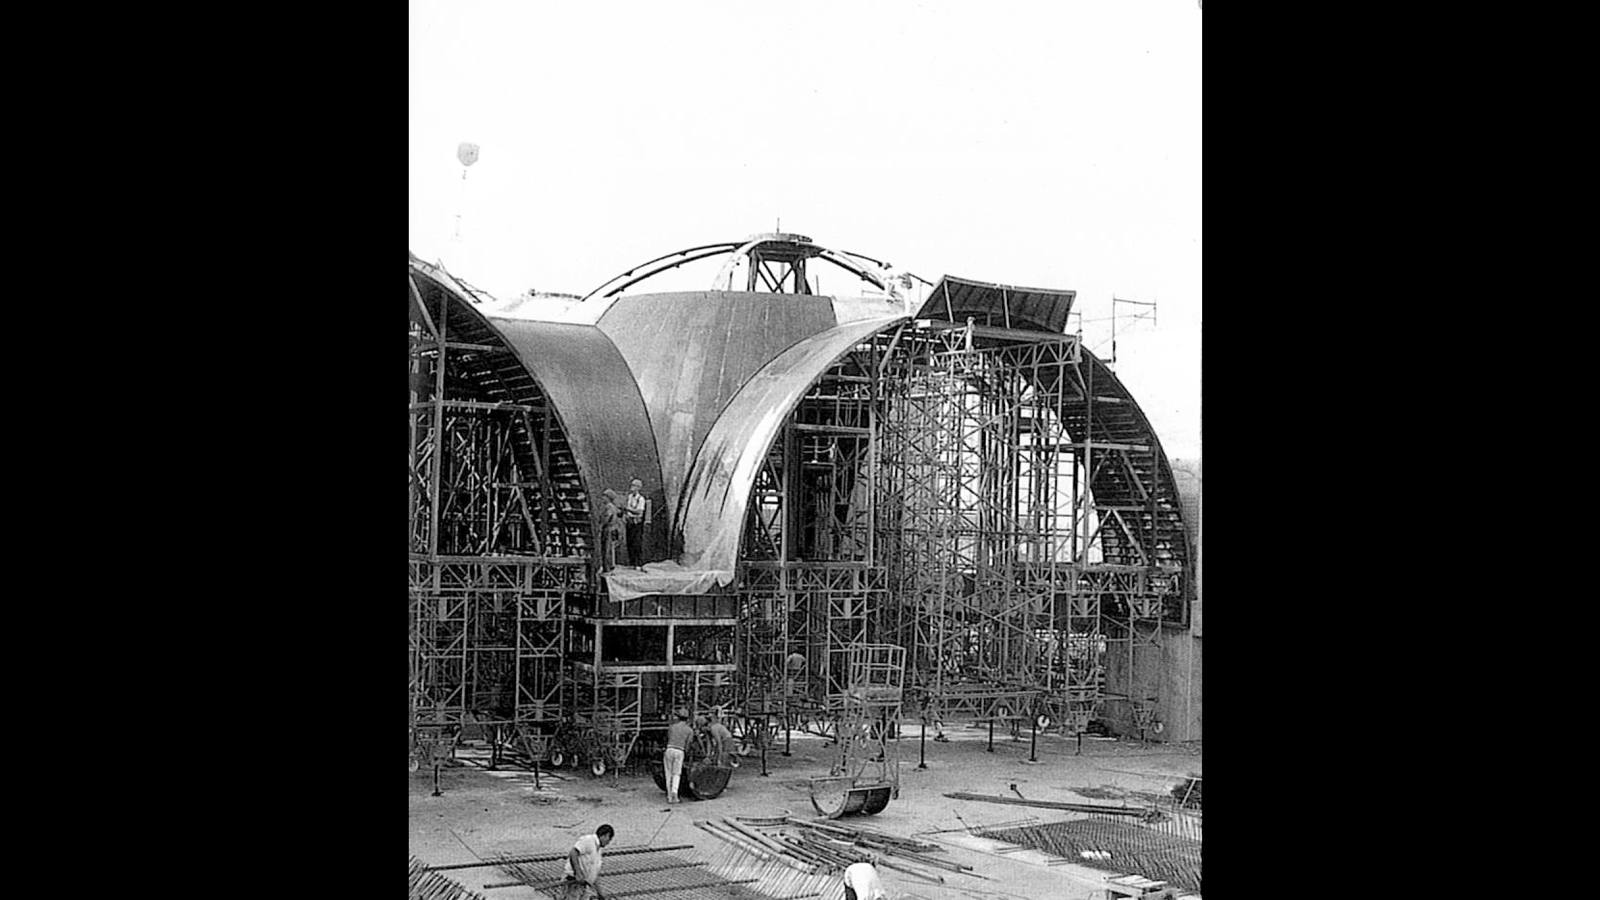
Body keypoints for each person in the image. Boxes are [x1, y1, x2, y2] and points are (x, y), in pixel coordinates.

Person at [561, 823, 614, 900]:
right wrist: (578, 873)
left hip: (584, 886)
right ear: (605, 835)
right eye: (609, 839)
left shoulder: (598, 851)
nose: (608, 842)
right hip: (573, 882)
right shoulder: (588, 840)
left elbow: (594, 875)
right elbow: (573, 853)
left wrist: (600, 893)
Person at [663, 708, 693, 803]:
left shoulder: (672, 727)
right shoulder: (689, 730)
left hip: (669, 749)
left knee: (668, 773)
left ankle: (669, 797)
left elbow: (668, 738)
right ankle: (674, 794)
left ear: (679, 718)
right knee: (676, 774)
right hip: (680, 751)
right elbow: (688, 744)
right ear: (688, 719)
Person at [623, 477, 651, 566]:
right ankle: (631, 562)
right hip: (630, 522)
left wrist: (629, 509)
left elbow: (639, 511)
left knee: (636, 543)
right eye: (632, 485)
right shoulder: (630, 497)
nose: (632, 487)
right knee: (629, 542)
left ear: (638, 488)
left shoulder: (641, 499)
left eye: (634, 486)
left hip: (637, 523)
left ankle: (638, 563)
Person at [599, 490, 624, 573]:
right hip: (611, 529)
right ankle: (609, 566)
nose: (602, 498)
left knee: (607, 549)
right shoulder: (613, 507)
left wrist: (601, 525)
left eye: (604, 497)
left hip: (608, 529)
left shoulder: (609, 507)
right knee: (609, 548)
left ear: (608, 498)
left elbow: (607, 517)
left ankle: (607, 567)